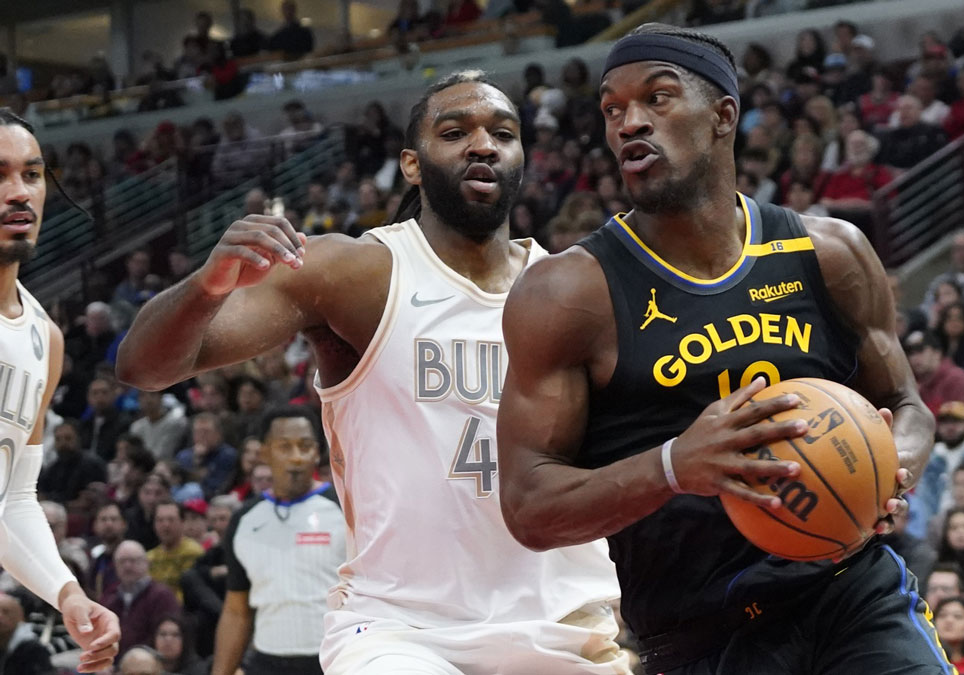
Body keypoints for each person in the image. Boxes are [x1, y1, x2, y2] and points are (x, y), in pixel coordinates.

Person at [116, 72, 624, 674]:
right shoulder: (355, 272)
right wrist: (207, 284)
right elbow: (143, 366)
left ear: (521, 155)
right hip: (401, 631)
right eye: (456, 131)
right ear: (411, 163)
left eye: (503, 134)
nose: (483, 145)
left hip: (562, 626)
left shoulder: (581, 286)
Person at [497, 23, 947, 674]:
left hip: (849, 592)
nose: (629, 123)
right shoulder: (569, 294)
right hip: (699, 630)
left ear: (722, 116)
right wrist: (676, 464)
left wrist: (888, 471)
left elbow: (907, 405)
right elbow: (528, 505)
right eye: (613, 109)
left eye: (657, 98)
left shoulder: (828, 253)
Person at [0, 109, 120, 672]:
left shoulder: (44, 338)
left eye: (32, 174)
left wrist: (66, 592)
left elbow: (12, 500)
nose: (18, 192)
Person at [212, 407, 344, 675]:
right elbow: (237, 610)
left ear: (318, 452)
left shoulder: (346, 510)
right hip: (266, 663)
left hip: (337, 660)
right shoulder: (245, 520)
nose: (296, 457)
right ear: (264, 453)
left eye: (305, 446)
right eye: (284, 447)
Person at [101, 540, 181, 656]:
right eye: (122, 561)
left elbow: (164, 638)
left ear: (146, 563)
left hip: (149, 661)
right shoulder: (109, 595)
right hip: (111, 660)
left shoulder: (162, 595)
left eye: (133, 561)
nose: (127, 566)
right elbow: (99, 633)